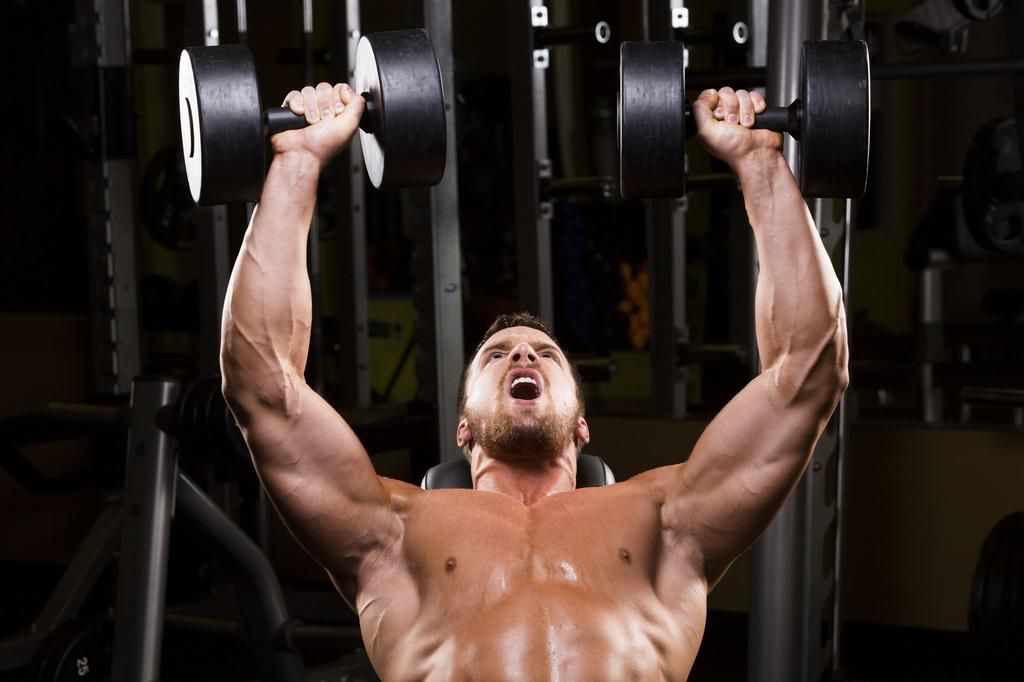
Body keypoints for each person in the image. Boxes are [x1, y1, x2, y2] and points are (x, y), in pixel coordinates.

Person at [220, 80, 848, 680]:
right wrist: (297, 162)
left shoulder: (665, 523)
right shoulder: (394, 532)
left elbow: (808, 373)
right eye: (496, 355)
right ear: (463, 428)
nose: (523, 354)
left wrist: (760, 163)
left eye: (546, 354)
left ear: (582, 424)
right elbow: (263, 387)